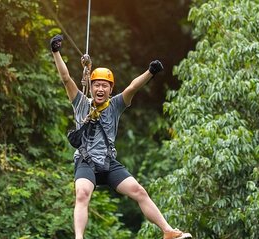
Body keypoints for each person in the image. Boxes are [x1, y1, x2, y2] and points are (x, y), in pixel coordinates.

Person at [50, 34, 192, 239]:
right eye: (96, 85)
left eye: (104, 85)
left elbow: (133, 87)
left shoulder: (116, 105)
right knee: (82, 194)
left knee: (139, 191)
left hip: (108, 163)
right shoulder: (80, 102)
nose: (100, 89)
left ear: (110, 89)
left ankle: (168, 231)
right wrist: (56, 52)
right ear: (90, 87)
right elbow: (66, 78)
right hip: (86, 161)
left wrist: (150, 72)